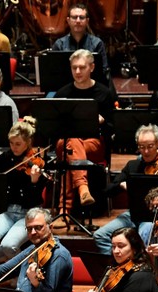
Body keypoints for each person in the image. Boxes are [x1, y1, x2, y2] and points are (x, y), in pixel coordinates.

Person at [94, 124, 158, 254]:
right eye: (142, 147)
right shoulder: (133, 166)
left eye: (150, 146)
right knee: (100, 236)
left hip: (154, 218)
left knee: (144, 236)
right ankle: (120, 266)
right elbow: (108, 190)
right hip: (132, 215)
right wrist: (121, 185)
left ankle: (140, 268)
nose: (146, 151)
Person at [54, 49, 118, 208]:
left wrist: (102, 121)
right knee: (71, 141)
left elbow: (113, 126)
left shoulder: (104, 93)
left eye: (82, 67)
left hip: (94, 143)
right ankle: (83, 189)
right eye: (74, 67)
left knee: (70, 150)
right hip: (65, 143)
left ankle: (64, 209)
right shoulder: (62, 93)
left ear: (92, 67)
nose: (77, 71)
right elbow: (54, 127)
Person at [0, 119, 45, 262]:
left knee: (9, 245)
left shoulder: (35, 162)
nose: (14, 147)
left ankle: (23, 270)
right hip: (8, 212)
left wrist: (34, 181)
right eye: (11, 143)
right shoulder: (7, 157)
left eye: (18, 144)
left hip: (28, 213)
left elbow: (35, 199)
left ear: (27, 143)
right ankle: (9, 266)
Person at [50, 3, 109, 84]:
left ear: (87, 21)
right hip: (66, 88)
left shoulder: (97, 43)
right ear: (68, 20)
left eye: (81, 17)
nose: (78, 21)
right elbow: (53, 74)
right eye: (74, 17)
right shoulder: (59, 44)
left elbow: (103, 72)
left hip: (90, 88)